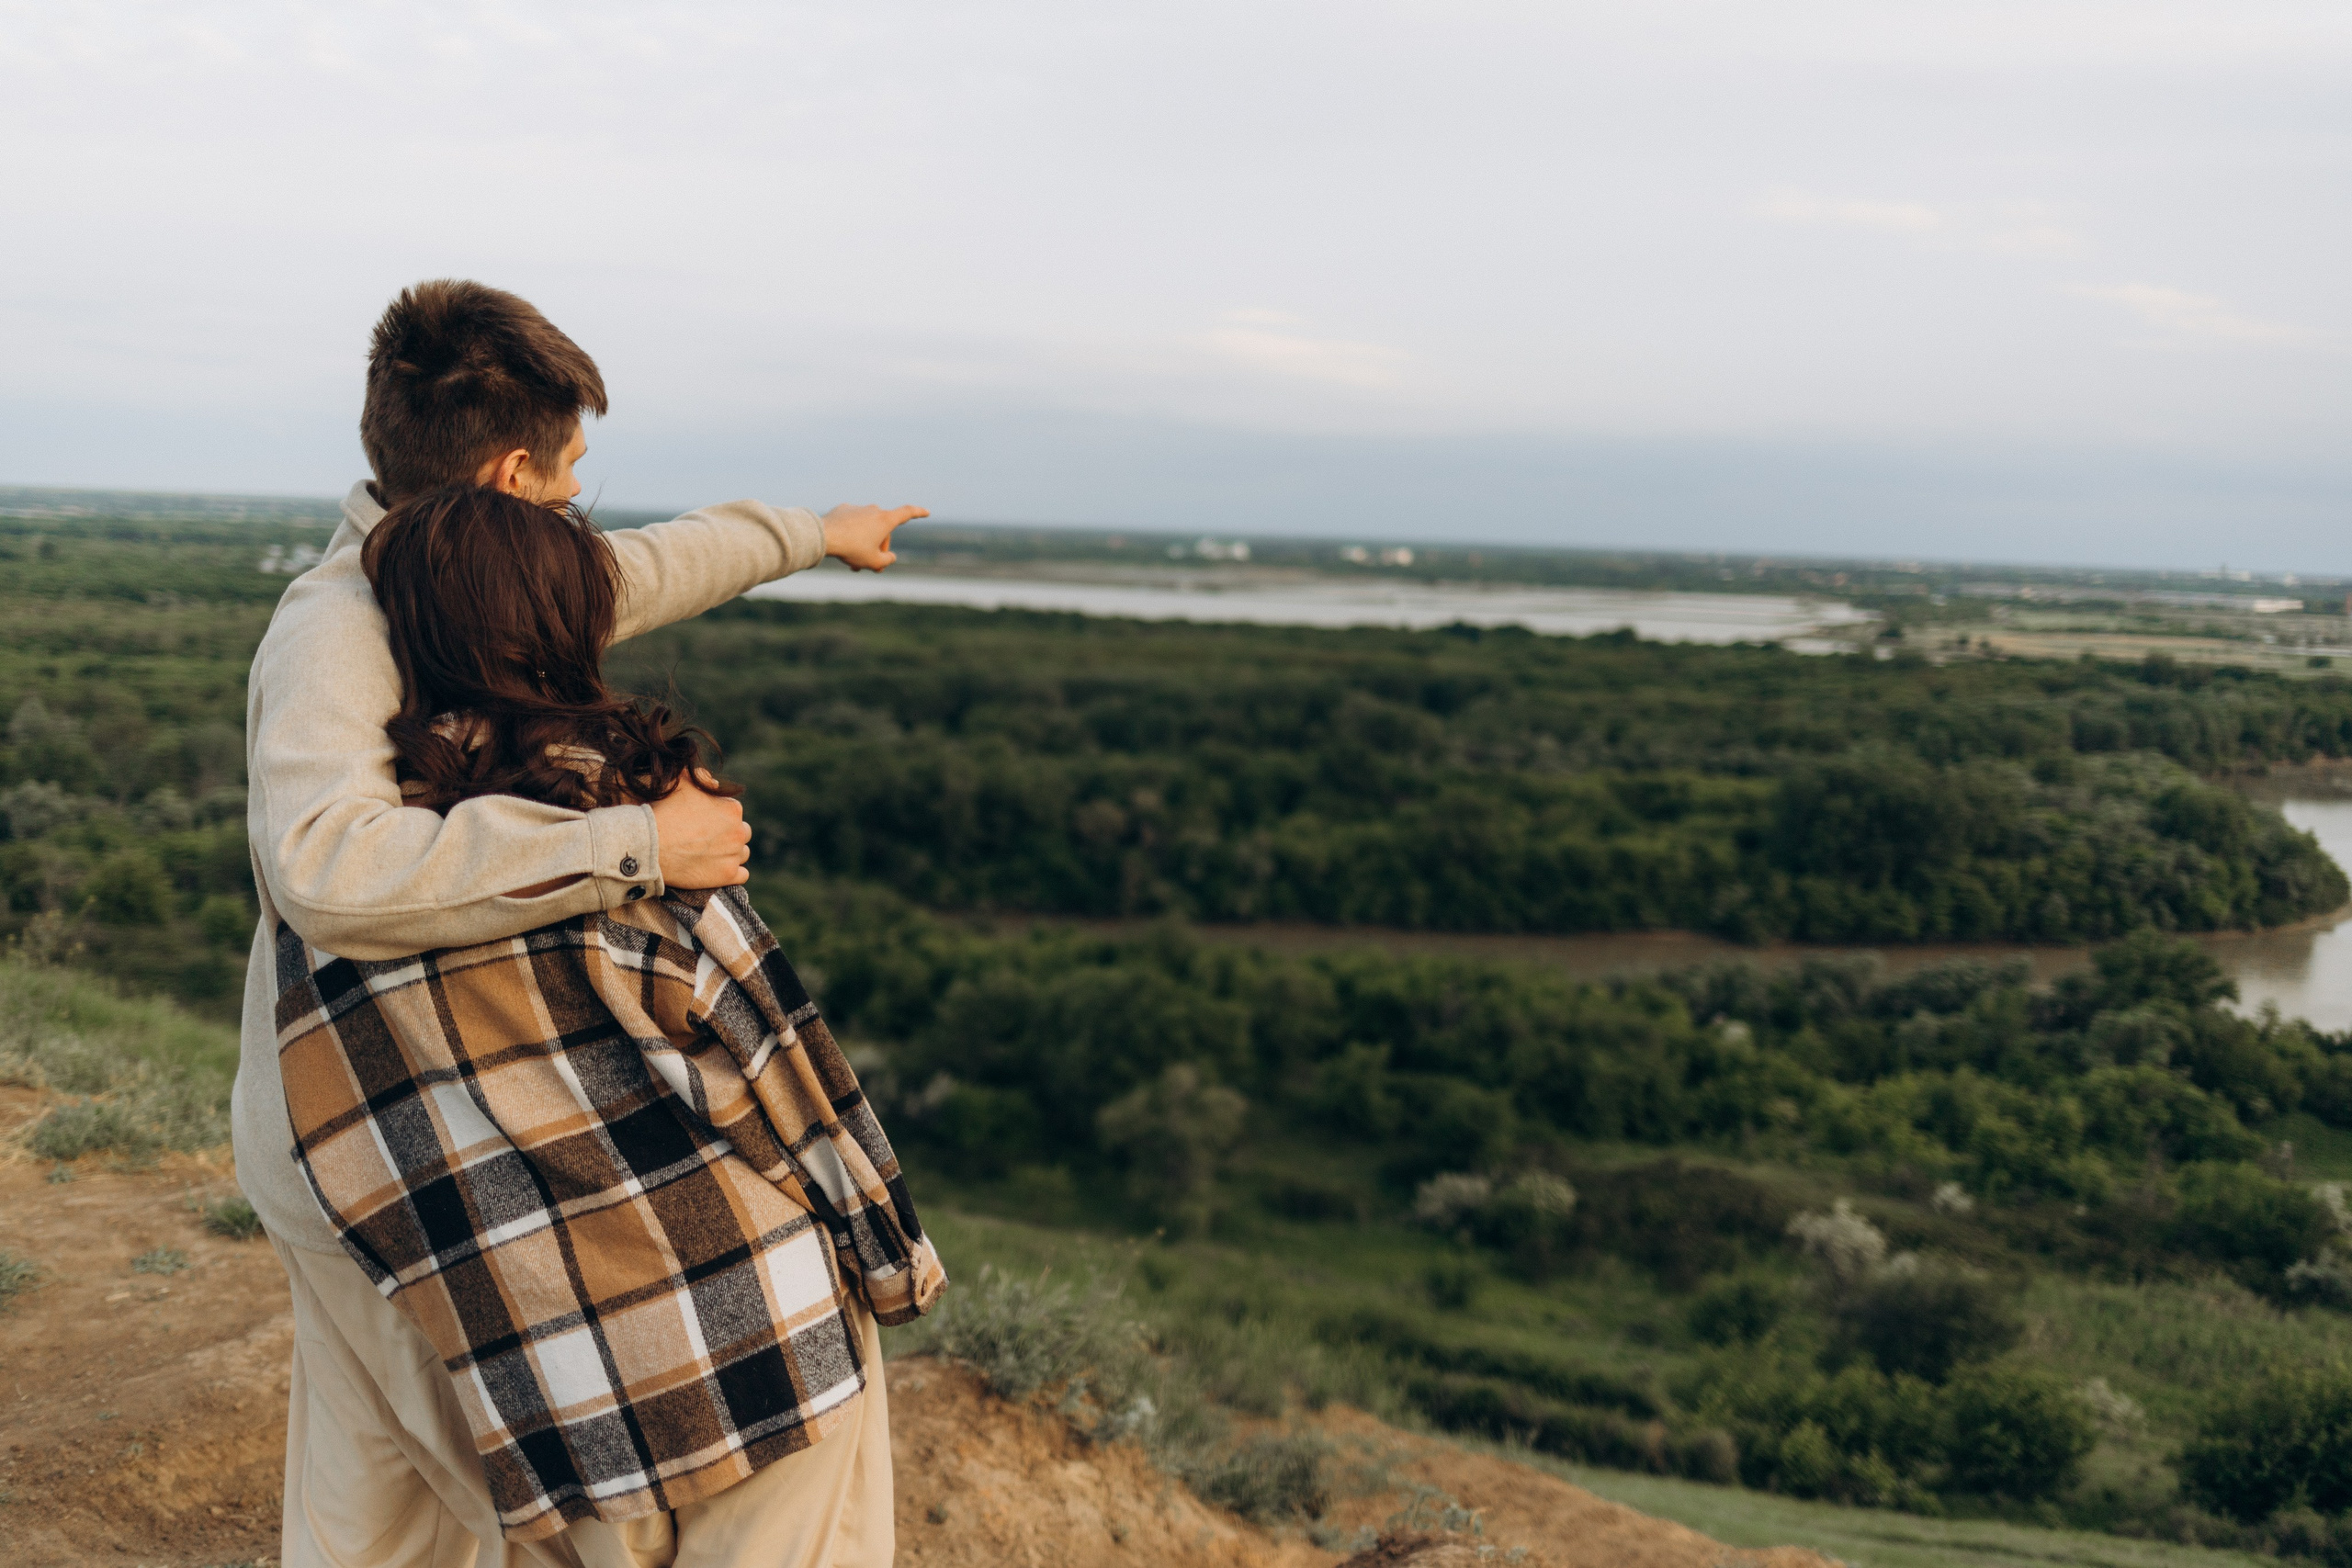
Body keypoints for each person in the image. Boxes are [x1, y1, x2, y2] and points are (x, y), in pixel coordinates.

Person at [233, 279, 932, 1567]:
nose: (578, 509)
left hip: (403, 1125)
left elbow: (655, 564)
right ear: (511, 476)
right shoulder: (337, 626)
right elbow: (327, 868)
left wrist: (813, 533)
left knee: (384, 1492)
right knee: (451, 1489)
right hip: (357, 1138)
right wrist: (636, 847)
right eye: (567, 479)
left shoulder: (477, 594)